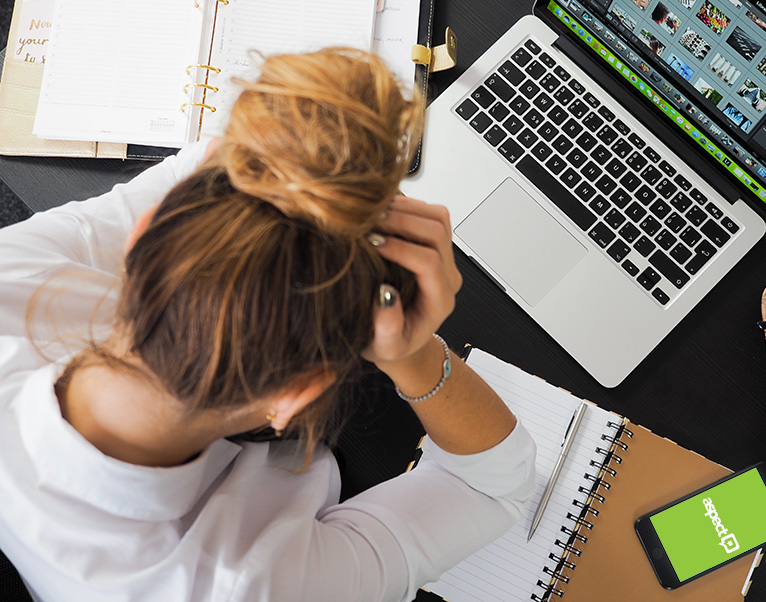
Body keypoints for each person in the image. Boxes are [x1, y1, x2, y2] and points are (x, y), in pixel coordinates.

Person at [0, 48, 536, 601]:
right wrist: (415, 354)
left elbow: (210, 164)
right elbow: (493, 487)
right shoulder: (254, 587)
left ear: (137, 241)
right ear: (295, 397)